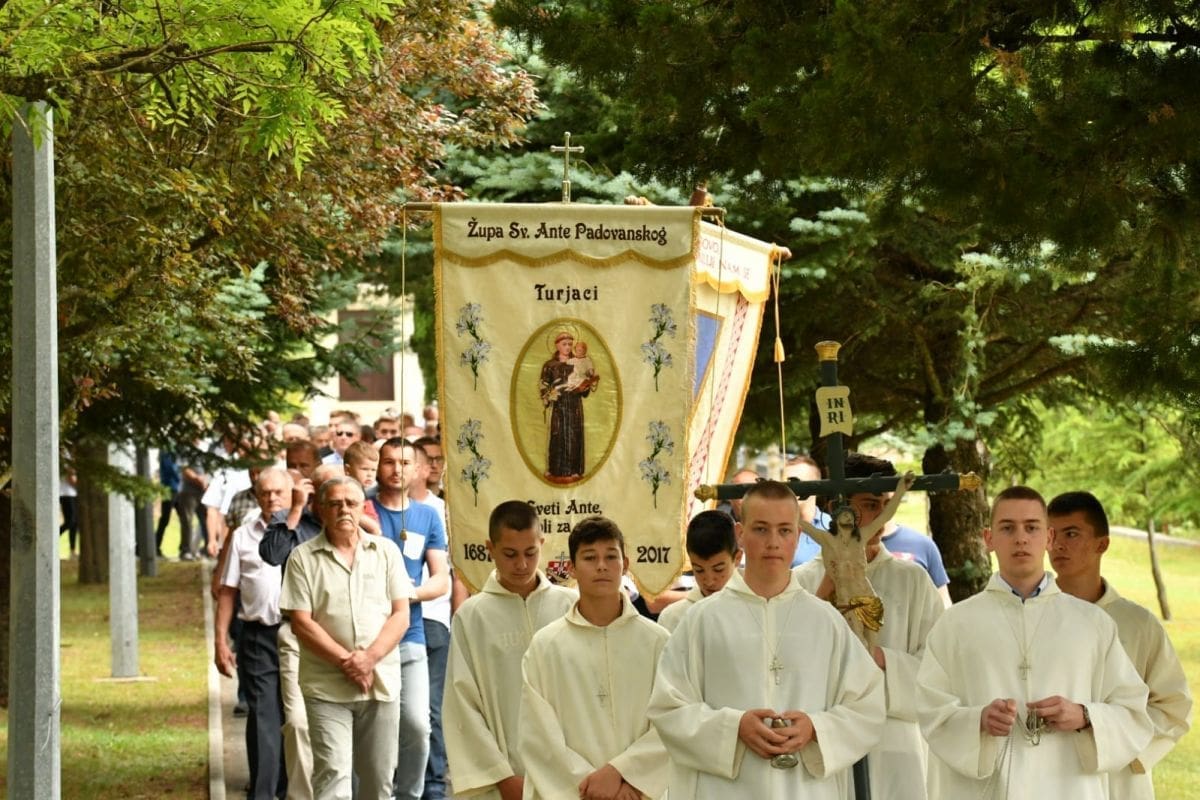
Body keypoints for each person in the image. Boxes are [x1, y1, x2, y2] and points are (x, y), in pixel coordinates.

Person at [648, 481, 885, 798]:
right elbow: (668, 708)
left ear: (798, 538)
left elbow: (867, 706)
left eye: (784, 531)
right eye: (761, 529)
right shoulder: (702, 620)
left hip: (806, 789)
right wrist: (734, 728)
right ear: (740, 534)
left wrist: (815, 728)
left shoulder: (826, 622)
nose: (773, 542)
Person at [917, 486, 1153, 799]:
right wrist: (978, 720)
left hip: (1067, 783)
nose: (1021, 538)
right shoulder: (955, 623)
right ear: (989, 539)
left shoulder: (1092, 624)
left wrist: (1083, 716)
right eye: (1007, 528)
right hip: (985, 788)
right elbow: (930, 709)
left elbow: (1133, 712)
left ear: (1049, 538)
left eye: (1032, 527)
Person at [794, 458, 943, 800]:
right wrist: (826, 590)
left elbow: (938, 666)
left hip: (894, 741)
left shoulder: (913, 580)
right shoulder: (803, 581)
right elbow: (789, 658)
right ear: (837, 509)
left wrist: (880, 659)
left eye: (882, 504)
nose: (879, 515)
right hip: (827, 738)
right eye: (869, 505)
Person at [1048, 491, 1192, 800]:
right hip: (1045, 772)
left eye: (1071, 533)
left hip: (1118, 780)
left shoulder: (1138, 624)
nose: (1057, 544)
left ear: (1102, 544)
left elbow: (1174, 706)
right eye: (1051, 534)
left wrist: (1111, 735)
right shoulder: (1030, 615)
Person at [279, 476, 414, 800]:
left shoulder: (386, 551)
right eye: (335, 503)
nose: (344, 510)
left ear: (361, 507)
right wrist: (348, 662)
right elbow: (301, 622)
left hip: (380, 683)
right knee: (333, 776)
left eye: (351, 503)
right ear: (321, 510)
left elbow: (401, 614)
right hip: (326, 686)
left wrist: (369, 659)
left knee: (379, 780)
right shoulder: (302, 557)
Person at [519, 516, 669, 799]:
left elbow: (672, 720)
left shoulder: (657, 642)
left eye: (611, 556)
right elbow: (538, 734)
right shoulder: (547, 646)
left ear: (625, 564)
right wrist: (593, 786)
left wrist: (628, 777)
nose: (602, 566)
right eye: (590, 557)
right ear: (572, 568)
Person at [442, 500, 576, 800]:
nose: (522, 565)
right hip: (503, 778)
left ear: (542, 543)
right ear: (490, 548)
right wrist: (500, 776)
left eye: (531, 553)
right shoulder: (472, 616)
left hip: (568, 771)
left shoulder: (569, 606)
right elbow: (462, 702)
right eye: (510, 554)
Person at [373, 438, 450, 800]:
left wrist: (409, 593)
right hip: (367, 636)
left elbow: (440, 579)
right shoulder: (363, 509)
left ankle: (410, 795)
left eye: (404, 462)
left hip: (411, 634)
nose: (396, 469)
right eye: (388, 462)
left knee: (419, 725)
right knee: (376, 730)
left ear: (417, 469)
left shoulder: (428, 515)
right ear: (378, 466)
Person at [215, 468, 293, 800]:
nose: (272, 498)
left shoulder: (302, 531)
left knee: (295, 717)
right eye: (265, 493)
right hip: (259, 635)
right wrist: (220, 640)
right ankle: (262, 794)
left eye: (278, 492)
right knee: (263, 713)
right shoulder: (244, 535)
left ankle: (289, 787)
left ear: (291, 494)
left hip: (300, 636)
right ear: (256, 495)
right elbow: (228, 590)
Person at [656, 510, 741, 633]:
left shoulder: (755, 608)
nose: (709, 581)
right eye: (699, 570)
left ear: (737, 558)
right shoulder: (673, 617)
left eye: (718, 569)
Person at [539, 331, 597, 483]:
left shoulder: (578, 362)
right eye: (564, 344)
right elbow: (543, 384)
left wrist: (585, 387)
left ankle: (574, 470)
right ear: (557, 345)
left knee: (574, 435)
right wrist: (549, 395)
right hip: (558, 406)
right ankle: (555, 470)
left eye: (570, 344)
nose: (567, 347)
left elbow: (585, 380)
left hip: (574, 405)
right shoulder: (550, 365)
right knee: (557, 435)